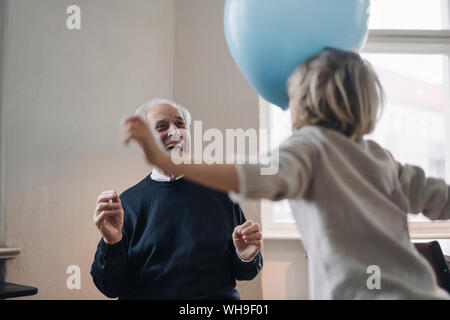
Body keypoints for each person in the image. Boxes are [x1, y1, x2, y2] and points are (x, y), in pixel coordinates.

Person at [121, 48, 450, 299]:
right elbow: (440, 198)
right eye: (163, 127)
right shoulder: (379, 155)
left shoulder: (310, 146)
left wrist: (173, 162)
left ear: (303, 101)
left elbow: (252, 174)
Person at [91, 99, 263, 300]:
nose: (175, 132)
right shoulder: (126, 205)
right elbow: (111, 288)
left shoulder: (221, 192)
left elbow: (245, 271)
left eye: (180, 124)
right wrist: (112, 242)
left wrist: (245, 256)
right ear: (142, 142)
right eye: (161, 126)